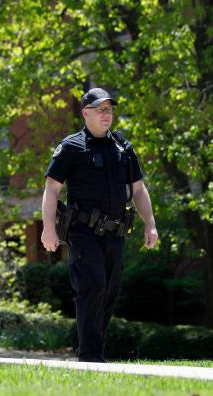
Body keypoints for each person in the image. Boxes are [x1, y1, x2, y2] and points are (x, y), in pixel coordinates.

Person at [41, 87, 158, 362]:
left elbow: (138, 189)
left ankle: (94, 349)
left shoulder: (123, 147)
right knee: (92, 286)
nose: (107, 115)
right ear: (85, 113)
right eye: (100, 109)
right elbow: (51, 189)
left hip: (115, 233)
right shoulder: (71, 147)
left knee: (110, 290)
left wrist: (150, 224)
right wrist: (48, 228)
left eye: (109, 109)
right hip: (83, 232)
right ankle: (91, 356)